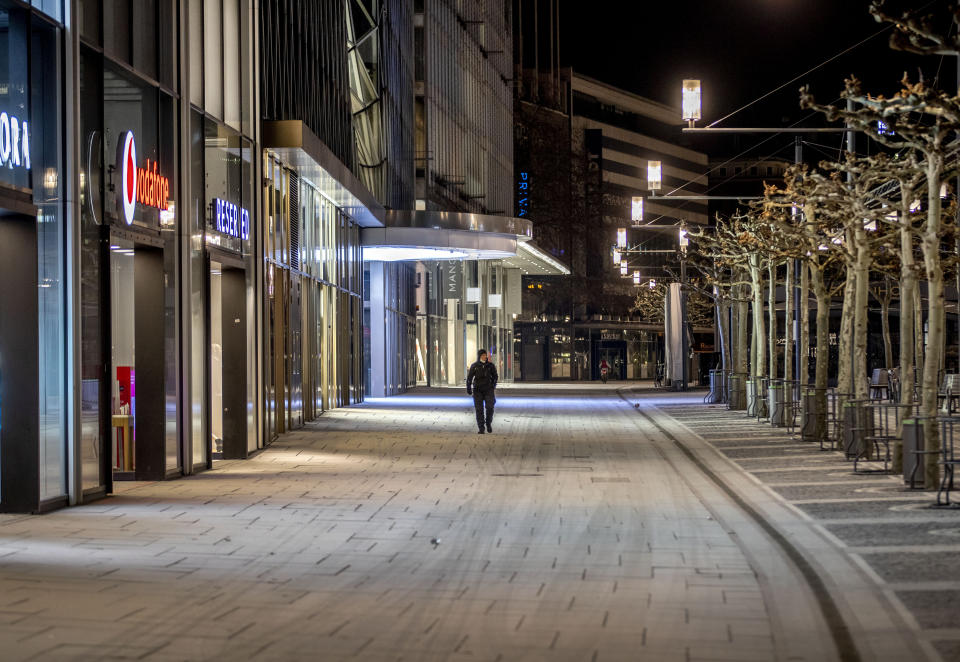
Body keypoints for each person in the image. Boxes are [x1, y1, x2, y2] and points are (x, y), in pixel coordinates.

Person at [466, 349, 498, 434]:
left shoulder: (490, 366)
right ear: (479, 356)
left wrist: (493, 385)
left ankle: (488, 423)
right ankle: (481, 428)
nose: (485, 356)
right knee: (479, 409)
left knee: (490, 407)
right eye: (483, 355)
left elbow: (495, 376)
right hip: (477, 390)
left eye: (485, 355)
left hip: (488, 389)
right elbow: (469, 378)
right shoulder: (475, 366)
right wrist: (468, 388)